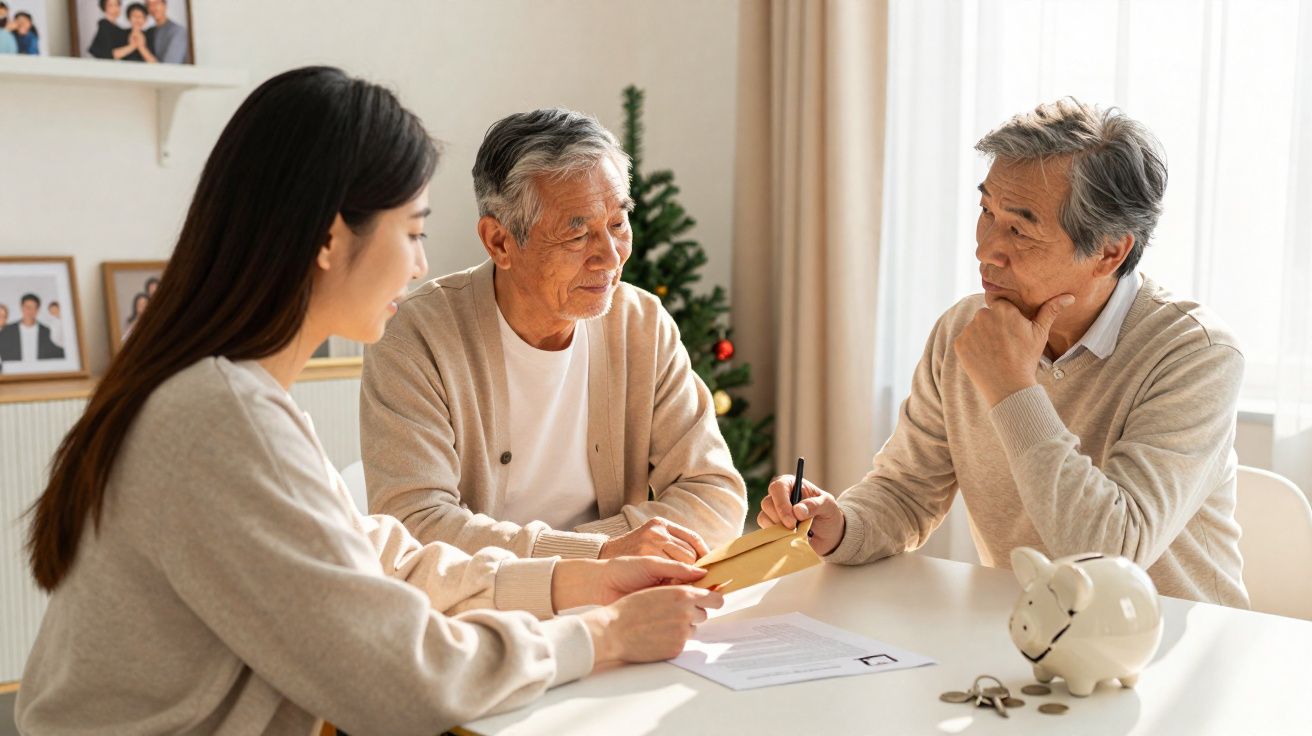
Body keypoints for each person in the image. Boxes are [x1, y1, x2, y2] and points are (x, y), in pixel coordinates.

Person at [17, 66, 723, 735]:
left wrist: (581, 580)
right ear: (331, 237)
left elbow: (389, 559)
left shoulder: (232, 398)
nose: (421, 263)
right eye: (412, 231)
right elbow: (398, 677)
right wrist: (603, 635)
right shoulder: (218, 419)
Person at [759, 98, 1247, 607]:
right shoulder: (963, 330)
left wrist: (1012, 387)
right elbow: (905, 493)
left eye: (1019, 228)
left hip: (1164, 653)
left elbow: (1109, 555)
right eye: (986, 211)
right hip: (1028, 637)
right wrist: (840, 525)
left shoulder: (1196, 355)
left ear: (1109, 251)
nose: (985, 248)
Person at [360, 107, 747, 564]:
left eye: (618, 223)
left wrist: (598, 559)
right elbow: (414, 526)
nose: (610, 257)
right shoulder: (415, 337)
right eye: (577, 234)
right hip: (481, 618)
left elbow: (715, 494)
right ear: (500, 242)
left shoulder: (642, 323)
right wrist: (600, 554)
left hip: (619, 604)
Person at [0, 293, 64, 361]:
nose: (30, 311)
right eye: (27, 307)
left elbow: (59, 353)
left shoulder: (47, 331)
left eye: (34, 308)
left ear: (38, 310)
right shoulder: (7, 330)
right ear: (21, 307)